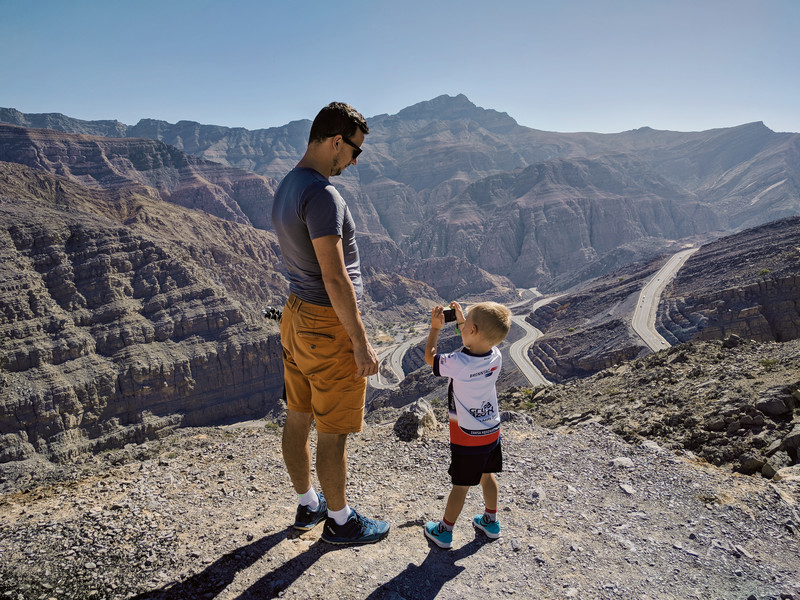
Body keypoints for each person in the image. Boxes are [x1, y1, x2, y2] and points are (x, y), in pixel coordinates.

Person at [271, 102, 389, 545]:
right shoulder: (322, 195)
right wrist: (359, 341)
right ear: (336, 141)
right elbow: (335, 275)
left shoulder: (288, 184)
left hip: (296, 314)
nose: (355, 161)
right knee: (334, 433)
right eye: (355, 150)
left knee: (298, 415)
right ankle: (340, 522)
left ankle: (308, 503)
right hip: (328, 323)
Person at [422, 300, 512, 549]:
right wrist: (464, 320)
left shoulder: (459, 363)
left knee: (460, 486)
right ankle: (490, 521)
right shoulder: (496, 355)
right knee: (487, 475)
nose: (462, 328)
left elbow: (430, 358)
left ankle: (444, 531)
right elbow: (475, 339)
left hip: (466, 436)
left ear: (472, 331)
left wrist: (435, 328)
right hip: (491, 431)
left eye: (466, 325)